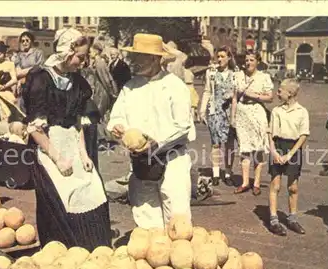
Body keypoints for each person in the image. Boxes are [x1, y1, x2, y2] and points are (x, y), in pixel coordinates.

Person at [22, 28, 112, 251]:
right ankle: (61, 257)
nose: (82, 62)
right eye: (80, 57)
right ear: (66, 52)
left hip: (72, 144)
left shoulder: (77, 82)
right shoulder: (41, 79)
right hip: (49, 148)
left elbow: (78, 121)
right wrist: (58, 158)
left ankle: (92, 251)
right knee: (59, 205)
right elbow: (34, 128)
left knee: (93, 191)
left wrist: (83, 153)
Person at [108, 33, 196, 229]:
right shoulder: (130, 87)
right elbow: (116, 116)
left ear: (156, 59)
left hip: (172, 160)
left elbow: (183, 125)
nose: (134, 62)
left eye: (140, 57)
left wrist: (158, 143)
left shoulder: (175, 86)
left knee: (177, 220)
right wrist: (117, 126)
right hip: (140, 163)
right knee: (146, 218)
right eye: (134, 56)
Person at [267, 79, 309, 236]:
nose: (277, 93)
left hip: (293, 149)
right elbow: (270, 134)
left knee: (293, 187)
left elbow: (303, 135)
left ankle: (292, 218)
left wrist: (290, 154)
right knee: (275, 185)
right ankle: (273, 220)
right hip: (278, 146)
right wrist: (274, 152)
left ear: (290, 93)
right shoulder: (276, 111)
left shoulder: (302, 112)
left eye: (280, 91)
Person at [233, 50, 274, 196]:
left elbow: (270, 97)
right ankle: (245, 182)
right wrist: (232, 117)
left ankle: (256, 183)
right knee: (244, 148)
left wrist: (254, 95)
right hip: (242, 113)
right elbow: (234, 97)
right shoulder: (238, 76)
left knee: (258, 148)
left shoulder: (264, 77)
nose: (248, 63)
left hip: (257, 112)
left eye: (251, 60)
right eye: (246, 60)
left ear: (257, 61)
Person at [199, 46, 238, 187]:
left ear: (229, 58)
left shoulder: (235, 74)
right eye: (218, 57)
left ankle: (228, 172)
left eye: (222, 56)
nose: (220, 59)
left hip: (230, 113)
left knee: (229, 144)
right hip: (215, 112)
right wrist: (202, 110)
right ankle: (215, 174)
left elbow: (238, 93)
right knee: (215, 144)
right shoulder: (211, 73)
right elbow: (207, 91)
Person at [0, 41, 24, 122]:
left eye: (1, 51)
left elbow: (14, 79)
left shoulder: (10, 64)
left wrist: (4, 86)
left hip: (6, 92)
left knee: (8, 114)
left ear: (5, 52)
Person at [12, 31, 45, 110]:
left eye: (27, 40)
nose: (25, 43)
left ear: (31, 41)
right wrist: (32, 68)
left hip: (35, 85)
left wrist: (26, 71)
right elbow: (17, 71)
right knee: (23, 107)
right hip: (23, 85)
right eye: (22, 41)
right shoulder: (20, 55)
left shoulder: (38, 53)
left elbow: (40, 68)